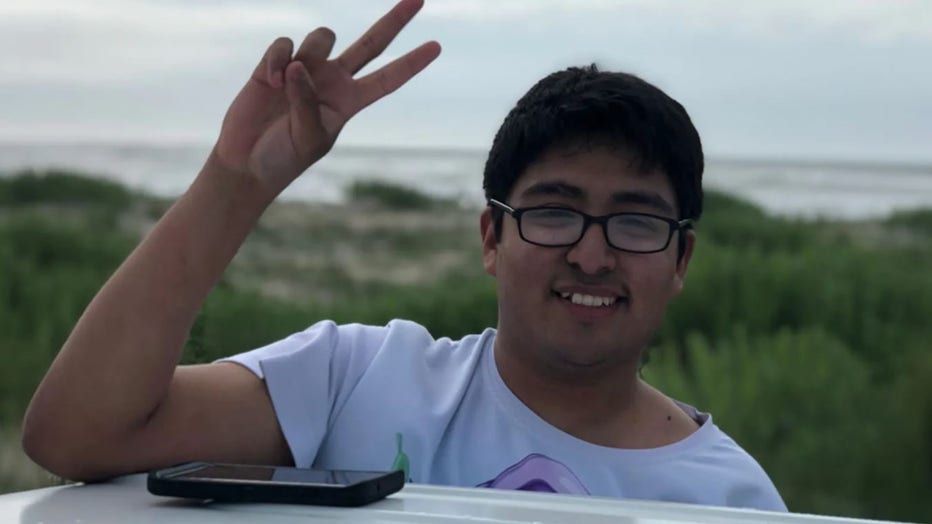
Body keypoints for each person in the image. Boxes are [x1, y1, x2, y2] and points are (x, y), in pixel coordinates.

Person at [21, 0, 786, 511]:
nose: (591, 255)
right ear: (491, 239)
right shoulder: (358, 380)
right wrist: (235, 183)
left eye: (635, 222)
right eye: (554, 213)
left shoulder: (729, 500)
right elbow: (78, 435)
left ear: (681, 260)